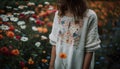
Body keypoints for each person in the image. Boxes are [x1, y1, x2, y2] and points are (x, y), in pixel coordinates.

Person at [49, 0, 101, 69]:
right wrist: (51, 66)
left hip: (79, 64)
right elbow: (54, 42)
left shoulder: (90, 16)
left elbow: (90, 48)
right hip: (59, 64)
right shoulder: (58, 14)